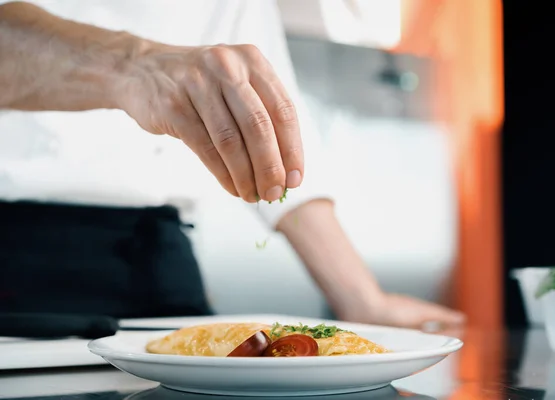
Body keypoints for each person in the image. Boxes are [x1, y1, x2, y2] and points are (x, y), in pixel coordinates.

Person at [0, 0, 464, 329]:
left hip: (159, 261)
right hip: (19, 259)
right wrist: (133, 67)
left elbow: (281, 153)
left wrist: (365, 300)